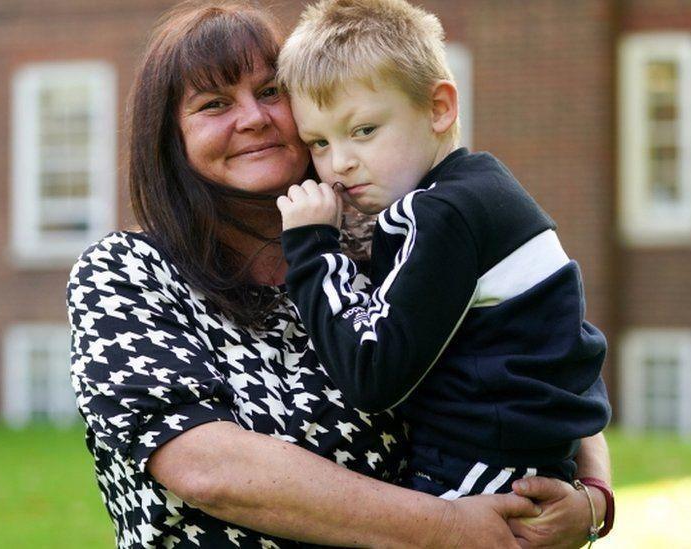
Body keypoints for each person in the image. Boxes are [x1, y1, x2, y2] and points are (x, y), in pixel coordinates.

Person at [66, 2, 612, 548]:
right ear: (169, 140)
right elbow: (205, 468)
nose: (253, 117)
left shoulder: (387, 236)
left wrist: (591, 500)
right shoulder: (126, 273)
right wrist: (444, 530)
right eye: (214, 104)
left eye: (271, 91)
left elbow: (544, 348)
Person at [276, 0, 611, 500]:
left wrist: (311, 247)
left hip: (482, 474)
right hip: (520, 460)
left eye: (364, 130)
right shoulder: (487, 187)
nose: (339, 163)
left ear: (439, 108)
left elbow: (372, 375)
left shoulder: (442, 215)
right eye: (318, 143)